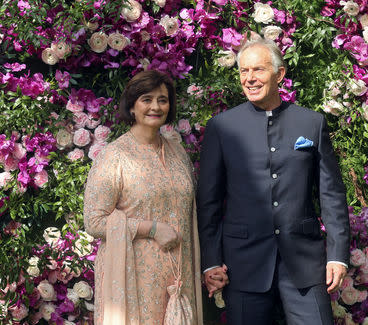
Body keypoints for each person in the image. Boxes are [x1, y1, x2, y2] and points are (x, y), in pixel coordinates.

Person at [197, 39, 350, 324]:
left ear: (279, 74)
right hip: (242, 262)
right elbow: (209, 202)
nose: (249, 79)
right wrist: (211, 261)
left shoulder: (311, 123)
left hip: (304, 261)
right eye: (243, 71)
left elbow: (331, 193)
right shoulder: (222, 127)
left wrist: (338, 255)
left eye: (258, 70)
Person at [84, 70, 203, 324]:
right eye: (146, 99)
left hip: (178, 277)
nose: (155, 107)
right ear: (132, 106)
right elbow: (94, 221)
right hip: (134, 279)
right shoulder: (114, 157)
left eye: (162, 99)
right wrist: (151, 229)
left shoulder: (177, 152)